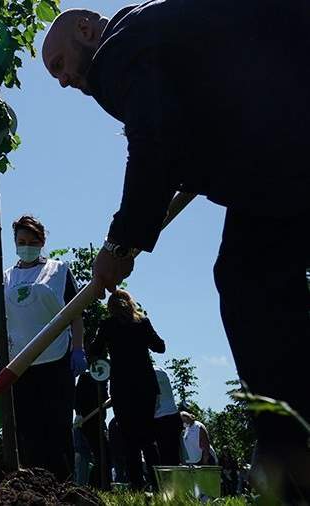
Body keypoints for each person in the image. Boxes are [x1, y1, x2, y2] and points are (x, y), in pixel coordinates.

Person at [41, 1, 309, 498]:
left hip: (287, 144)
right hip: (278, 154)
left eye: (58, 64)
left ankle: (293, 452)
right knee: (248, 277)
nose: (61, 80)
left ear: (84, 28)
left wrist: (122, 241)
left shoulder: (117, 51)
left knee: (250, 284)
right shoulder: (155, 34)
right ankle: (291, 448)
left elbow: (154, 138)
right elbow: (181, 121)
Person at [0, 215, 85, 481]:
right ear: (15, 243)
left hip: (55, 358)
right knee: (26, 429)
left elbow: (76, 313)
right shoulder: (6, 276)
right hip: (19, 363)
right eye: (21, 241)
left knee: (57, 426)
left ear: (42, 242)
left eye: (32, 241)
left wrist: (78, 348)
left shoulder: (59, 270)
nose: (26, 245)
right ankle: (31, 484)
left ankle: (62, 484)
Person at [90, 289, 165, 490]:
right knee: (148, 437)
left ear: (110, 307)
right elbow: (160, 347)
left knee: (129, 437)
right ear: (131, 303)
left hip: (122, 386)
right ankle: (159, 485)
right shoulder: (142, 322)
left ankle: (136, 484)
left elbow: (94, 350)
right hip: (146, 385)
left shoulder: (107, 325)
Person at [74, 371, 109, 489]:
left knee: (104, 455)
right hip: (86, 422)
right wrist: (79, 413)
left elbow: (105, 398)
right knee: (97, 456)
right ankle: (94, 486)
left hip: (99, 421)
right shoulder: (85, 377)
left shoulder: (104, 378)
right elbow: (77, 397)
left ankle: (98, 486)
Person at [152, 368, 181, 466]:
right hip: (174, 416)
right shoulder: (160, 370)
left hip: (162, 418)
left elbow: (155, 398)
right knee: (174, 457)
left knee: (165, 459)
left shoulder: (151, 373)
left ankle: (169, 480)